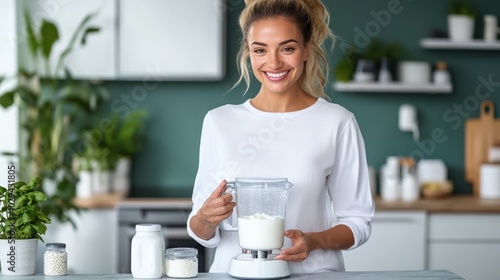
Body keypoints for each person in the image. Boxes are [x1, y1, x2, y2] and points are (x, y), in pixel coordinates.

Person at [187, 0, 375, 274]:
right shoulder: (219, 121)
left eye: (287, 48)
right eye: (260, 50)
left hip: (313, 274)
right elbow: (198, 227)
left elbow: (358, 221)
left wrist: (315, 241)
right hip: (233, 274)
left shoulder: (337, 122)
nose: (273, 62)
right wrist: (205, 218)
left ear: (307, 49)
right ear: (249, 53)